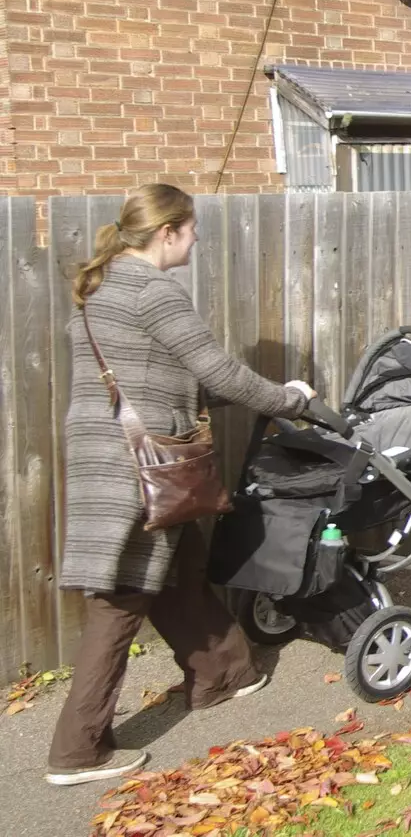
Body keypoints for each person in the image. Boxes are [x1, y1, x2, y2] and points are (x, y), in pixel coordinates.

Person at [46, 184, 317, 787]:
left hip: (108, 454)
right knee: (119, 599)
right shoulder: (152, 289)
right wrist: (289, 400)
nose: (196, 240)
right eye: (191, 230)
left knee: (178, 569)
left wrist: (267, 397)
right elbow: (217, 370)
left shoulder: (103, 289)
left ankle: (225, 673)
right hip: (136, 465)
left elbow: (170, 380)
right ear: (168, 232)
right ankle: (77, 750)